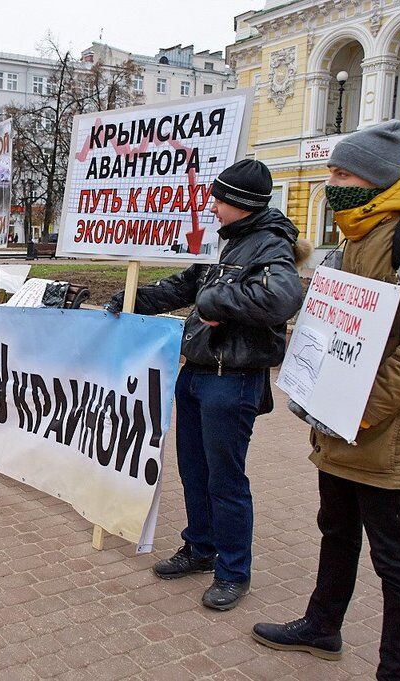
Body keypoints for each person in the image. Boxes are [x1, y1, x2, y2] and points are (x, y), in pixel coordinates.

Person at [252, 121, 400, 679]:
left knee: (394, 555)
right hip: (340, 419)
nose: (332, 182)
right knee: (337, 528)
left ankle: (396, 670)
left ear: (374, 179)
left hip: (386, 428)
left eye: (342, 173)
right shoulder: (359, 229)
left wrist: (366, 407)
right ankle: (322, 627)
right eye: (330, 171)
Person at [106, 159, 308, 611]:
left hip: (231, 381)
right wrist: (135, 297)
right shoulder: (226, 244)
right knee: (195, 472)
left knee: (225, 480)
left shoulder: (269, 244)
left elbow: (282, 297)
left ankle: (234, 571)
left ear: (241, 203)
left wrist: (218, 299)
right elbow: (186, 286)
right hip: (196, 373)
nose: (211, 205)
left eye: (219, 198)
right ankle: (199, 548)